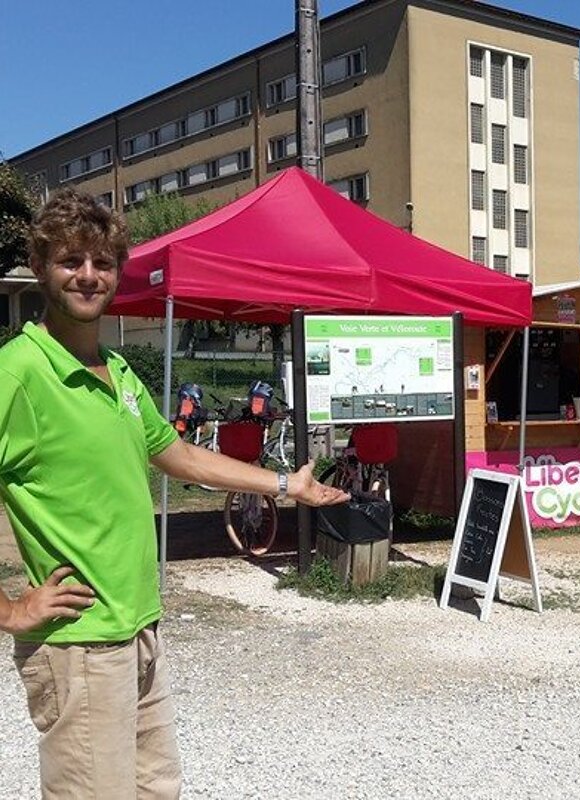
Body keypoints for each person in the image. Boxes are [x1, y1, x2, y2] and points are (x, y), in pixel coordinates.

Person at [0, 188, 349, 797]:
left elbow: (178, 454)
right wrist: (9, 612)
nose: (88, 275)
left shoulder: (118, 371)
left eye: (102, 262)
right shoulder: (18, 373)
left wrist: (284, 484)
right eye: (70, 260)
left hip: (139, 629)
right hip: (79, 643)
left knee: (157, 790)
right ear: (39, 266)